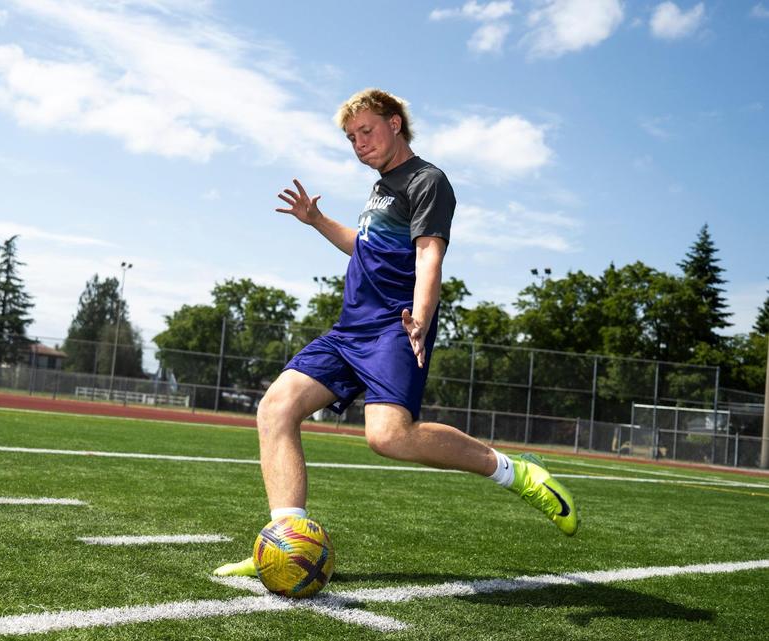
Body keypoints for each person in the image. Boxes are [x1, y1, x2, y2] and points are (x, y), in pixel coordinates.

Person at [214, 88, 577, 578]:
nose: (359, 143)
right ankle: (286, 543)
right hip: (351, 329)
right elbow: (366, 247)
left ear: (394, 123)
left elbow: (429, 254)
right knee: (276, 407)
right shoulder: (381, 187)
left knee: (388, 436)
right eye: (351, 137)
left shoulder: (428, 180)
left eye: (366, 130)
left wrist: (421, 317)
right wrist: (317, 220)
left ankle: (518, 473)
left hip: (395, 327)